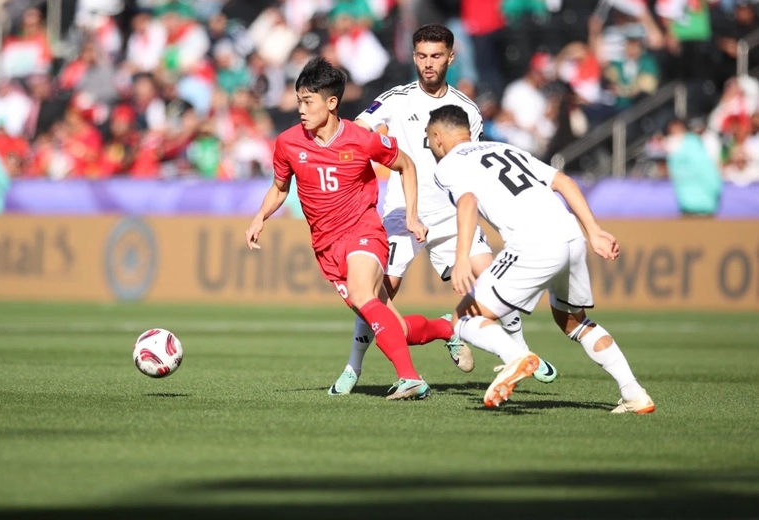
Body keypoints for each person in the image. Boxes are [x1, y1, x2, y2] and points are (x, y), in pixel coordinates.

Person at [329, 24, 557, 396]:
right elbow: (358, 128)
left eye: (436, 56)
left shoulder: (466, 109)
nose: (428, 64)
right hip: (403, 213)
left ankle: (521, 354)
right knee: (374, 295)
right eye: (421, 56)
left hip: (452, 215)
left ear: (451, 57)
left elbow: (473, 164)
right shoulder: (397, 99)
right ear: (413, 56)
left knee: (494, 279)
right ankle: (354, 366)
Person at [244, 57, 452, 400]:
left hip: (363, 231)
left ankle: (410, 378)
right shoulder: (288, 143)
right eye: (298, 101)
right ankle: (447, 328)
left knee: (361, 294)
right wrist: (259, 217)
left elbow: (407, 165)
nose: (301, 109)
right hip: (326, 247)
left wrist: (412, 216)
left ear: (331, 102)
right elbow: (280, 188)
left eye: (308, 101)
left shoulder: (362, 139)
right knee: (391, 325)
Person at [427, 104, 654, 414]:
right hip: (571, 235)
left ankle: (515, 357)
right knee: (574, 322)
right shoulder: (504, 147)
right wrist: (594, 230)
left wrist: (462, 258)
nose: (431, 147)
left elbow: (467, 202)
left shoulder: (449, 164)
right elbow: (563, 181)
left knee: (464, 319)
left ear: (438, 137)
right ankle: (634, 393)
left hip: (533, 242)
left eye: (429, 140)